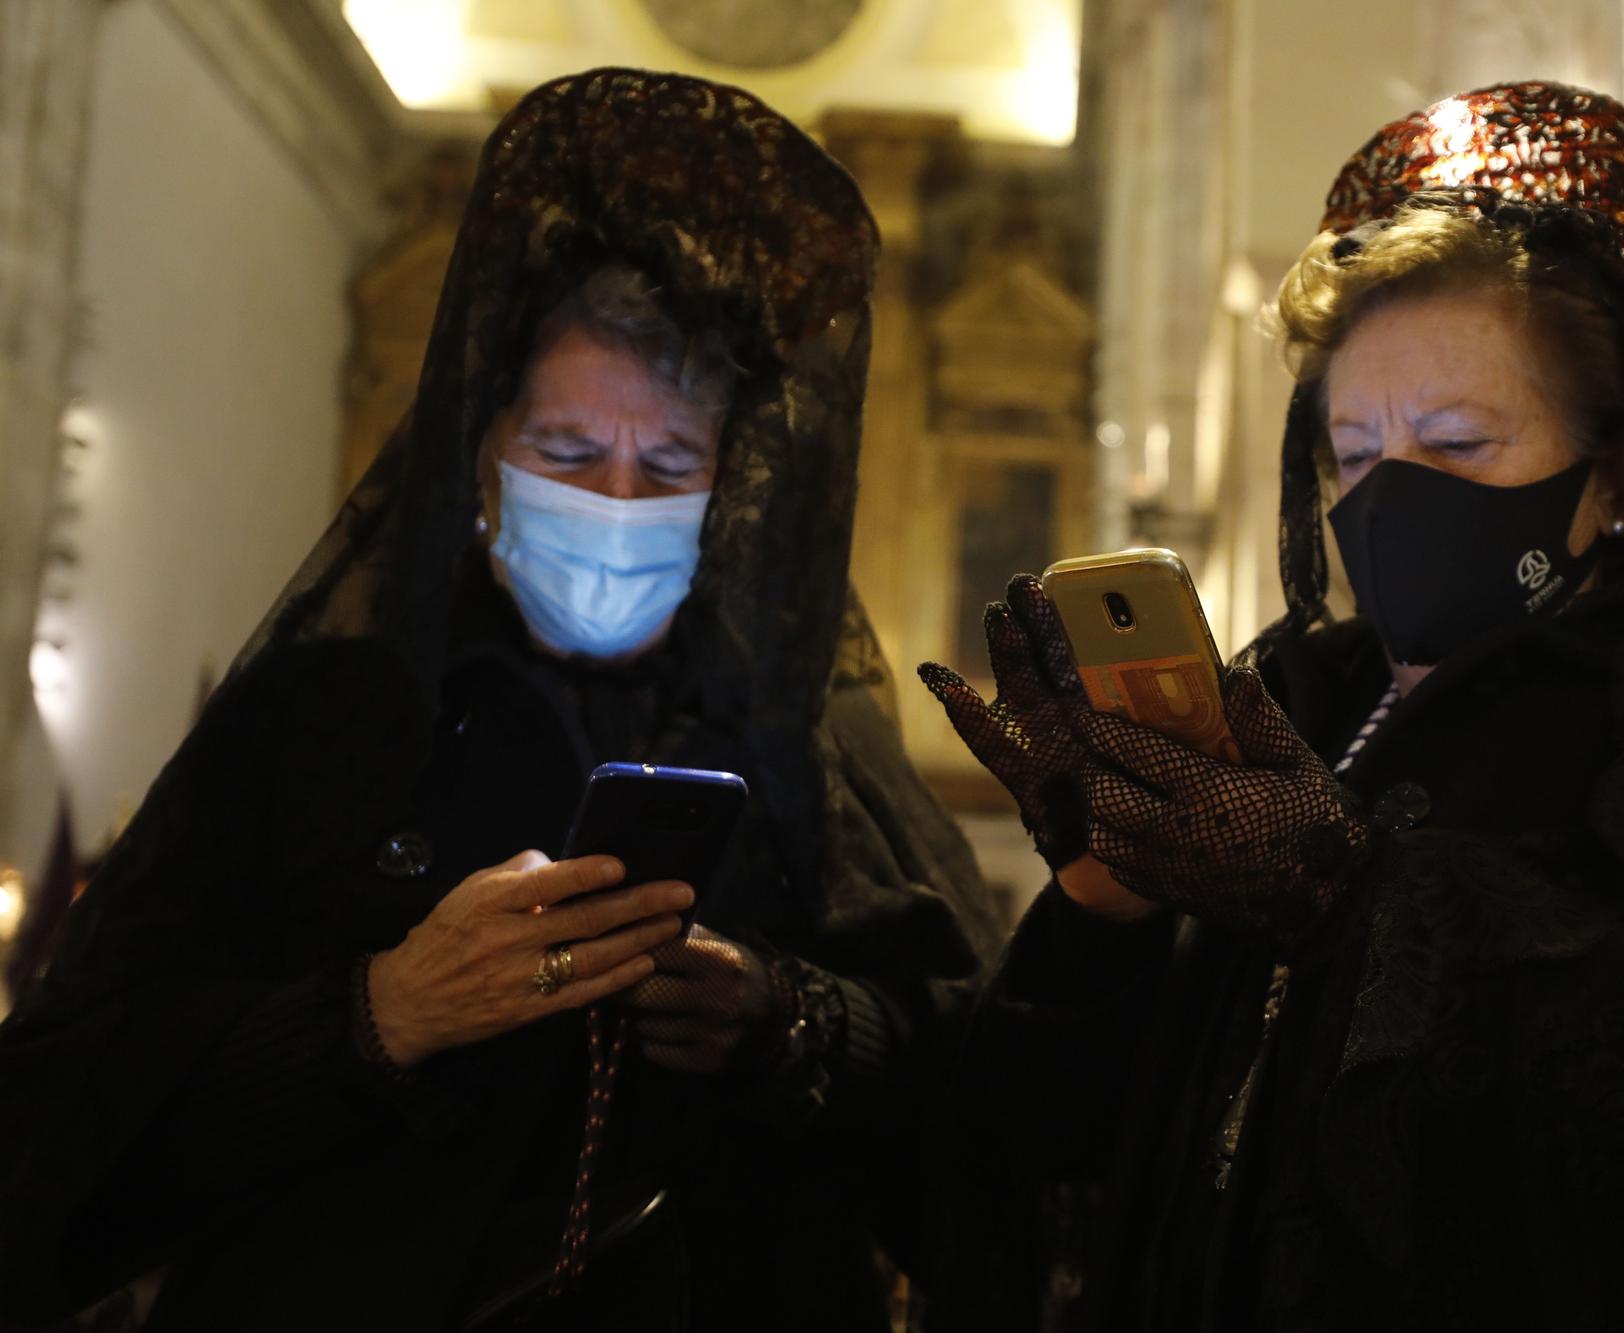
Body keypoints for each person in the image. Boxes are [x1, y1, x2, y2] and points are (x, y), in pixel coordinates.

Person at [921, 83, 1624, 1331]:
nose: (1391, 496)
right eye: (1355, 452)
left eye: (1456, 445)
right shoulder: (1294, 690)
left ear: (1609, 468)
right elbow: (1046, 1129)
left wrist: (1356, 892)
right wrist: (1105, 907)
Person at [0, 69, 997, 1332]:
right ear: (483, 459)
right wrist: (379, 1012)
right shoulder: (323, 720)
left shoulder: (801, 744)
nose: (618, 504)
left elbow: (971, 1092)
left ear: (731, 489)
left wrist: (780, 1019)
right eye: (569, 455)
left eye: (669, 464)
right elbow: (70, 1120)